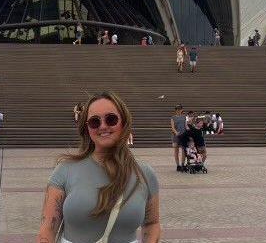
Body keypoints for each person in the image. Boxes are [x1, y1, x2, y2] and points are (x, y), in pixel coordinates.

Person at [37, 92, 160, 243]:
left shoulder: (144, 173)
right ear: (87, 128)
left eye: (111, 119)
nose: (103, 126)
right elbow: (48, 228)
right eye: (95, 122)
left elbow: (152, 223)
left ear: (124, 122)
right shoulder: (65, 170)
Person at [171, 105, 187, 171]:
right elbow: (172, 127)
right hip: (176, 136)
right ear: (176, 110)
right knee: (176, 151)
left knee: (184, 150)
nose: (179, 110)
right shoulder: (173, 117)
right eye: (177, 109)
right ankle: (178, 165)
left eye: (180, 109)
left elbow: (186, 125)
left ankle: (183, 164)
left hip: (183, 135)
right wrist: (176, 132)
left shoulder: (184, 117)